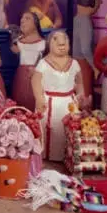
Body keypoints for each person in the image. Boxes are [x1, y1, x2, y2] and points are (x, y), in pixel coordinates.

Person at [32, 30, 86, 162]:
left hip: (69, 103)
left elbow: (79, 82)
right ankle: (48, 156)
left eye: (65, 39)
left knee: (68, 130)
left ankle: (68, 156)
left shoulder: (74, 63)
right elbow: (36, 81)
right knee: (51, 128)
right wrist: (39, 98)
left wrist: (80, 94)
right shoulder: (43, 63)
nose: (62, 43)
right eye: (56, 39)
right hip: (49, 102)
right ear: (49, 43)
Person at [10, 12, 46, 111]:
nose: (22, 21)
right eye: (22, 19)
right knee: (20, 100)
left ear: (36, 24)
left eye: (27, 19)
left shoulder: (44, 43)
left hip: (37, 75)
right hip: (21, 75)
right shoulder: (18, 42)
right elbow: (14, 49)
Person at [72, 0, 101, 98]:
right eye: (98, 1)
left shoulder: (77, 19)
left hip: (77, 63)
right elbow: (85, 49)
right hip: (83, 64)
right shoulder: (85, 21)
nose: (100, 4)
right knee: (85, 95)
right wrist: (95, 67)